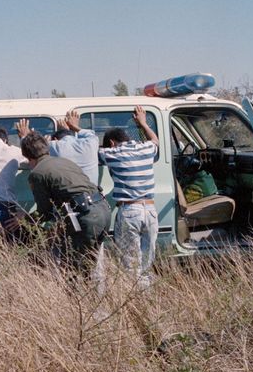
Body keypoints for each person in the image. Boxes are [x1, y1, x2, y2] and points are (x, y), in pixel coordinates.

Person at [16, 131, 111, 277]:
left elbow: (44, 212)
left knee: (75, 271)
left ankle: (77, 298)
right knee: (90, 264)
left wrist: (25, 219)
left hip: (85, 215)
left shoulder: (37, 174)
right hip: (103, 210)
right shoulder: (65, 161)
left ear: (27, 156)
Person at [98, 105, 159, 286]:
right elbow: (155, 140)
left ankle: (135, 301)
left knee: (131, 262)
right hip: (150, 210)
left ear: (111, 143)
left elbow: (87, 149)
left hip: (130, 210)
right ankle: (146, 296)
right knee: (147, 262)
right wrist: (143, 124)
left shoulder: (111, 153)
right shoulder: (146, 148)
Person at [17, 110, 99, 185]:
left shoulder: (55, 146)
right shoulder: (90, 143)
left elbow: (35, 149)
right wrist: (74, 126)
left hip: (69, 197)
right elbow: (91, 135)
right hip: (94, 196)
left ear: (55, 139)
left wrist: (25, 136)